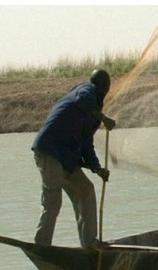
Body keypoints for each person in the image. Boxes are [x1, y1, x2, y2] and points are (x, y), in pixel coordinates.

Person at [31, 69, 116, 248]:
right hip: (50, 151)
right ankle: (42, 246)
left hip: (67, 159)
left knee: (86, 190)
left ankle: (89, 243)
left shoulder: (93, 114)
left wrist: (97, 168)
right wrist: (103, 117)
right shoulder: (86, 90)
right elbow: (82, 99)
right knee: (53, 199)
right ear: (104, 88)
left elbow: (86, 143)